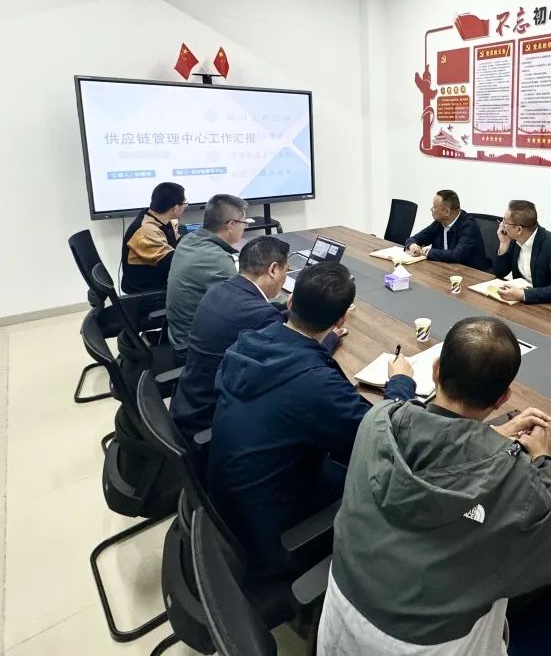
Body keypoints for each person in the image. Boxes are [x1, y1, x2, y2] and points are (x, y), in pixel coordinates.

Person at [319, 317, 551, 655]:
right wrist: (544, 459)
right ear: (503, 399)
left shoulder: (377, 420)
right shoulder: (513, 480)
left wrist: (485, 438)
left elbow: (425, 430)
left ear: (435, 370)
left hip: (341, 621)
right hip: (430, 646)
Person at [209, 262, 415, 573]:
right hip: (274, 531)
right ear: (341, 319)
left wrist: (323, 344)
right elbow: (384, 439)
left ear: (290, 302)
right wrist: (400, 383)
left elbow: (292, 361)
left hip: (232, 503)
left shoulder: (248, 342)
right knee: (393, 483)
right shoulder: (318, 386)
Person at [169, 236, 343, 441]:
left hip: (188, 400)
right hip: (211, 417)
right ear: (273, 269)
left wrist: (295, 308)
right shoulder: (262, 316)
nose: (286, 277)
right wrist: (329, 337)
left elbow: (254, 314)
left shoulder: (219, 290)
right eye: (286, 271)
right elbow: (295, 364)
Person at [166, 194, 248, 349]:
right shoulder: (217, 259)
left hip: (179, 334)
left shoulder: (189, 239)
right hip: (197, 347)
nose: (245, 228)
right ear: (231, 224)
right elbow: (243, 309)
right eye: (244, 223)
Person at [491, 200, 551, 304]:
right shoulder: (514, 239)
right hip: (523, 303)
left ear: (519, 229)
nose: (502, 225)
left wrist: (523, 295)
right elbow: (500, 272)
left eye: (505, 222)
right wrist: (504, 244)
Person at [120, 182, 186, 294]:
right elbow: (173, 262)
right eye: (185, 203)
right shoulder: (145, 231)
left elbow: (179, 243)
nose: (185, 206)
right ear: (176, 208)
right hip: (147, 292)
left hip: (160, 280)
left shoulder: (164, 220)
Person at [405, 189, 490, 271]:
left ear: (446, 212)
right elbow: (414, 238)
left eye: (434, 207)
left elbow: (456, 255)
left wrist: (426, 251)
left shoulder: (469, 226)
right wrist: (412, 245)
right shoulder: (439, 223)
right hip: (444, 269)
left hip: (470, 274)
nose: (431, 209)